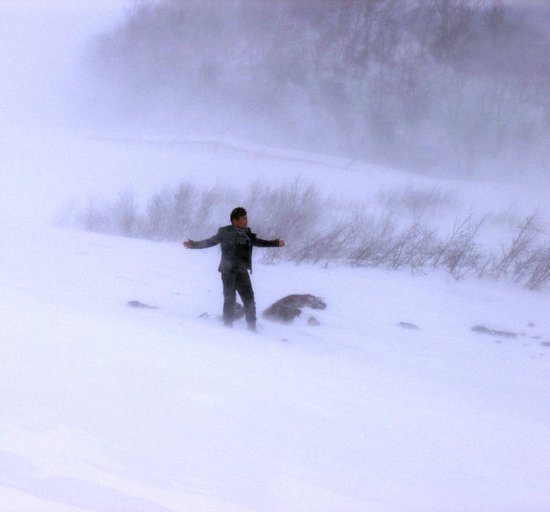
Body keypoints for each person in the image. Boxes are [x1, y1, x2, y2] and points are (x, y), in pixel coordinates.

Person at [183, 207, 285, 331]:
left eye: (246, 218)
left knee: (250, 300)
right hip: (228, 272)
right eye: (243, 219)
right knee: (229, 299)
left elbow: (258, 242)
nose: (246, 221)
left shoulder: (247, 233)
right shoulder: (224, 232)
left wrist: (275, 243)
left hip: (242, 272)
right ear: (235, 220)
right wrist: (193, 244)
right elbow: (210, 242)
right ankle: (227, 328)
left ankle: (252, 328)